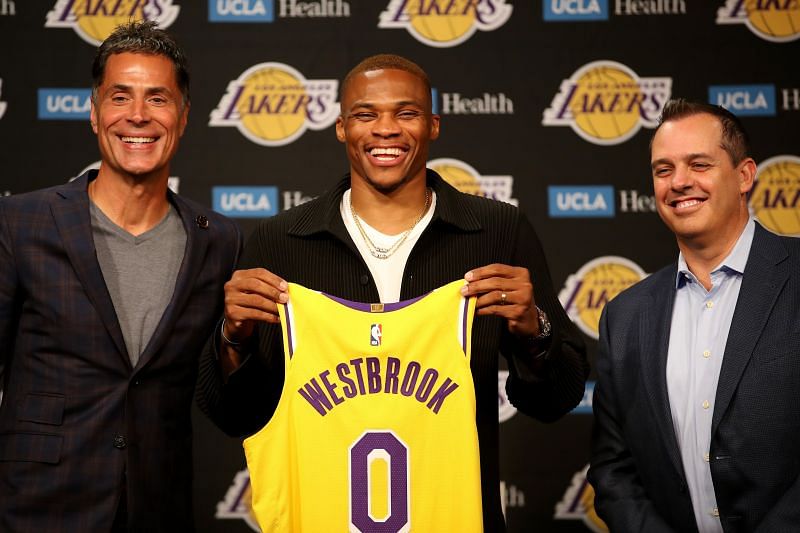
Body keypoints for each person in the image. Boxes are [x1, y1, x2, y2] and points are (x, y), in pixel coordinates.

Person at [197, 54, 588, 531]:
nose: (386, 129)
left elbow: (558, 400)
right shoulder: (280, 242)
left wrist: (536, 332)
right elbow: (235, 415)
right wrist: (232, 339)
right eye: (366, 114)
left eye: (406, 113)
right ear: (341, 128)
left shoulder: (496, 232)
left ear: (433, 126)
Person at [0, 21, 241, 532]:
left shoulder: (218, 240)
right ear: (93, 114)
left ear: (183, 115)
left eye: (158, 99)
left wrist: (235, 342)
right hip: (34, 510)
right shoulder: (20, 224)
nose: (138, 116)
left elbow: (228, 400)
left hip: (158, 508)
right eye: (120, 97)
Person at [589, 99, 800, 532]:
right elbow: (613, 471)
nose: (679, 183)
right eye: (663, 170)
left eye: (698, 164)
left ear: (744, 176)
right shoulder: (625, 317)